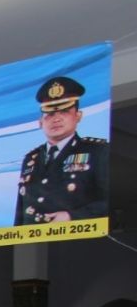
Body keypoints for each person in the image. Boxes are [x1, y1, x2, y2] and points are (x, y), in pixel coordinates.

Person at [14, 76, 108, 226]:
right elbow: (21, 210)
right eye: (50, 114)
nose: (56, 119)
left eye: (64, 111)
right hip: (33, 243)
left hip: (78, 241)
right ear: (40, 122)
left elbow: (108, 201)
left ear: (78, 116)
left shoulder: (97, 151)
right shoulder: (31, 158)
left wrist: (72, 216)